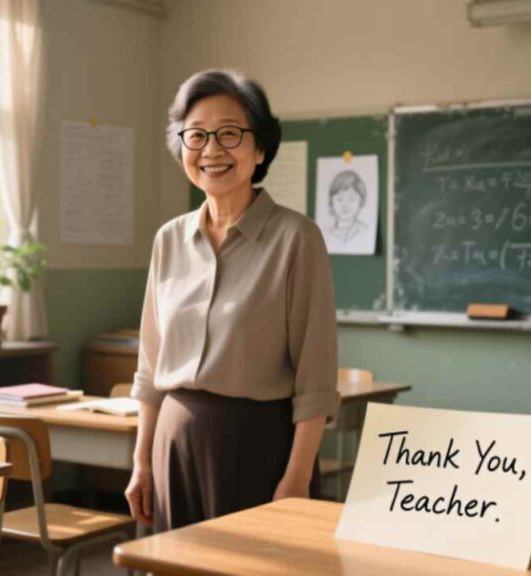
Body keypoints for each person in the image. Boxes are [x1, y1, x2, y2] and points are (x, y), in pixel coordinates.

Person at [124, 69, 340, 533]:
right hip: (173, 449)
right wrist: (142, 460)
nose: (212, 150)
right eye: (196, 136)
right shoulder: (169, 240)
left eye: (229, 134)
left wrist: (296, 478)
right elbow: (150, 366)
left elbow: (315, 380)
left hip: (259, 450)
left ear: (260, 149)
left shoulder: (296, 239)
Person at [325, 169, 368, 243]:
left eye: (352, 199)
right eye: (340, 199)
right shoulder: (326, 233)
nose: (345, 205)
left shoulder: (366, 231)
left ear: (361, 201)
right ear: (331, 201)